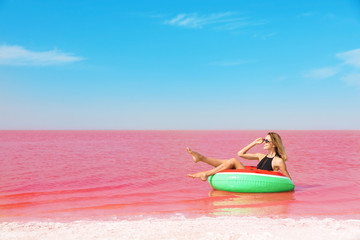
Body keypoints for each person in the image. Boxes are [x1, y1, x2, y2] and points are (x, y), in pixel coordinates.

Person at [187, 132, 291, 181]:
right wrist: (254, 143)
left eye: (267, 141)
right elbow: (241, 153)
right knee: (227, 162)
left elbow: (288, 179)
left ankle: (206, 172)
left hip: (256, 179)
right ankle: (201, 158)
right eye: (264, 140)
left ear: (274, 144)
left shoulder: (278, 161)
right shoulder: (261, 156)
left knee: (233, 161)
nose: (264, 142)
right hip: (251, 175)